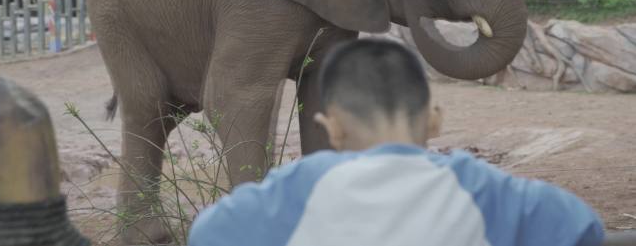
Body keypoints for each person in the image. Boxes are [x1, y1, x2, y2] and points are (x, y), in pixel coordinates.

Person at [188, 39, 604, 246]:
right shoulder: (482, 189)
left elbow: (207, 233)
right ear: (434, 120)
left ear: (331, 127)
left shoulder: (296, 189)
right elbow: (583, 227)